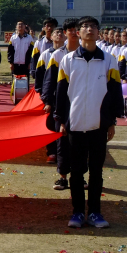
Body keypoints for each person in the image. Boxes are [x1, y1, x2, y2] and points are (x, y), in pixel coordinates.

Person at [56, 16, 121, 229]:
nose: (89, 30)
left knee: (96, 171)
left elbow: (115, 93)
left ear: (98, 32)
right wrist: (62, 120)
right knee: (76, 171)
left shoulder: (109, 60)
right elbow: (61, 93)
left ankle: (94, 212)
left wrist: (111, 121)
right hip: (75, 124)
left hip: (98, 125)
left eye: (93, 26)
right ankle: (77, 212)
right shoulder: (67, 60)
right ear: (78, 32)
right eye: (85, 26)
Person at [42, 18, 81, 190]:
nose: (73, 32)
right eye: (69, 30)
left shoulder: (87, 54)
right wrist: (48, 101)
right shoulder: (57, 55)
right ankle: (62, 177)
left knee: (80, 142)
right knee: (62, 141)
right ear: (65, 33)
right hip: (61, 103)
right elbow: (49, 81)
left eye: (75, 29)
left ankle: (79, 177)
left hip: (81, 103)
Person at [34, 25, 65, 164]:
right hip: (51, 97)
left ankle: (64, 152)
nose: (59, 35)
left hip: (66, 96)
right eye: (56, 33)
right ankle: (52, 152)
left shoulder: (70, 53)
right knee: (51, 124)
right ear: (51, 36)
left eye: (61, 33)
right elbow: (39, 76)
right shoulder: (45, 54)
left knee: (65, 124)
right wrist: (44, 97)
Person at [7, 20, 34, 85]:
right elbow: (10, 51)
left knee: (25, 83)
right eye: (18, 24)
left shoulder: (29, 38)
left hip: (25, 64)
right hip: (15, 64)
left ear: (25, 26)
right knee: (15, 82)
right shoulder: (13, 38)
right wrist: (11, 63)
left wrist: (30, 63)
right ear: (16, 27)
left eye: (22, 24)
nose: (20, 26)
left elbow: (31, 52)